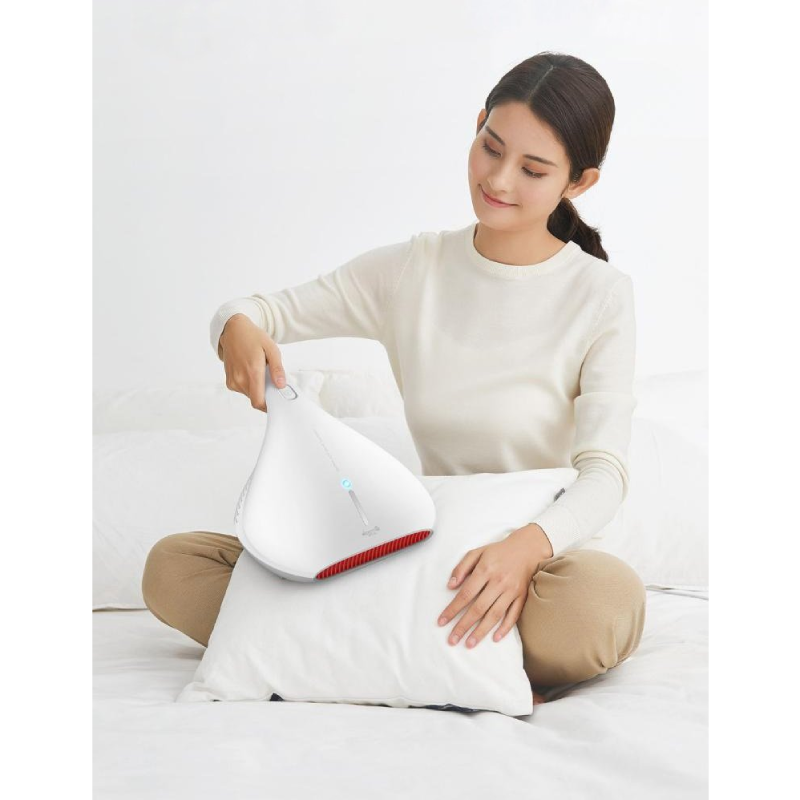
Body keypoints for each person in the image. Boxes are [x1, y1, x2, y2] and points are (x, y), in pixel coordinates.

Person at [142, 52, 646, 705]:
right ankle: (431, 653)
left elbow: (605, 473)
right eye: (491, 147)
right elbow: (253, 310)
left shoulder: (601, 295)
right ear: (477, 125)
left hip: (542, 565)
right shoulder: (414, 269)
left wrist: (527, 548)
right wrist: (233, 328)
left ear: (579, 182)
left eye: (532, 169)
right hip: (422, 552)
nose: (498, 179)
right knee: (174, 568)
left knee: (597, 609)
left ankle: (357, 643)